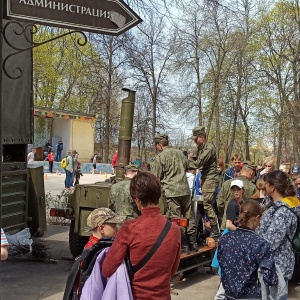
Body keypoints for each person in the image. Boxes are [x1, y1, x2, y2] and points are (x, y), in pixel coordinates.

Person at [102, 172, 181, 300]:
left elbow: (107, 269)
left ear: (137, 199)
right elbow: (172, 270)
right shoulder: (174, 230)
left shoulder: (129, 228)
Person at [217, 200, 278, 300]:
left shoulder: (225, 239)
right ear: (257, 218)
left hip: (229, 295)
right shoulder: (259, 243)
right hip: (250, 296)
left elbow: (221, 262)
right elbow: (270, 278)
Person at [151, 134, 196, 250]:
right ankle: (193, 243)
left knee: (177, 219)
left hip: (172, 192)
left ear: (160, 145)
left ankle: (184, 245)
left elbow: (155, 177)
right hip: (185, 190)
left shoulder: (160, 157)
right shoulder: (180, 153)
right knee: (189, 216)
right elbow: (188, 166)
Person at [258, 170, 300, 291]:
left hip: (277, 266)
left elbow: (271, 242)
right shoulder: (275, 204)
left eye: (266, 183)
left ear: (273, 187)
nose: (263, 185)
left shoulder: (282, 212)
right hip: (271, 265)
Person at [192, 126, 220, 238]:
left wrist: (185, 162)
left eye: (196, 138)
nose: (194, 141)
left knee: (207, 204)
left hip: (211, 178)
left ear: (202, 137)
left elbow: (198, 162)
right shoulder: (201, 148)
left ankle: (215, 229)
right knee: (204, 203)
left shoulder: (209, 148)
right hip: (206, 177)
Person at [217, 161, 256, 230]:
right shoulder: (252, 187)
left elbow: (220, 204)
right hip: (243, 227)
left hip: (226, 224)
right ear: (251, 173)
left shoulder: (226, 183)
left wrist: (227, 213)